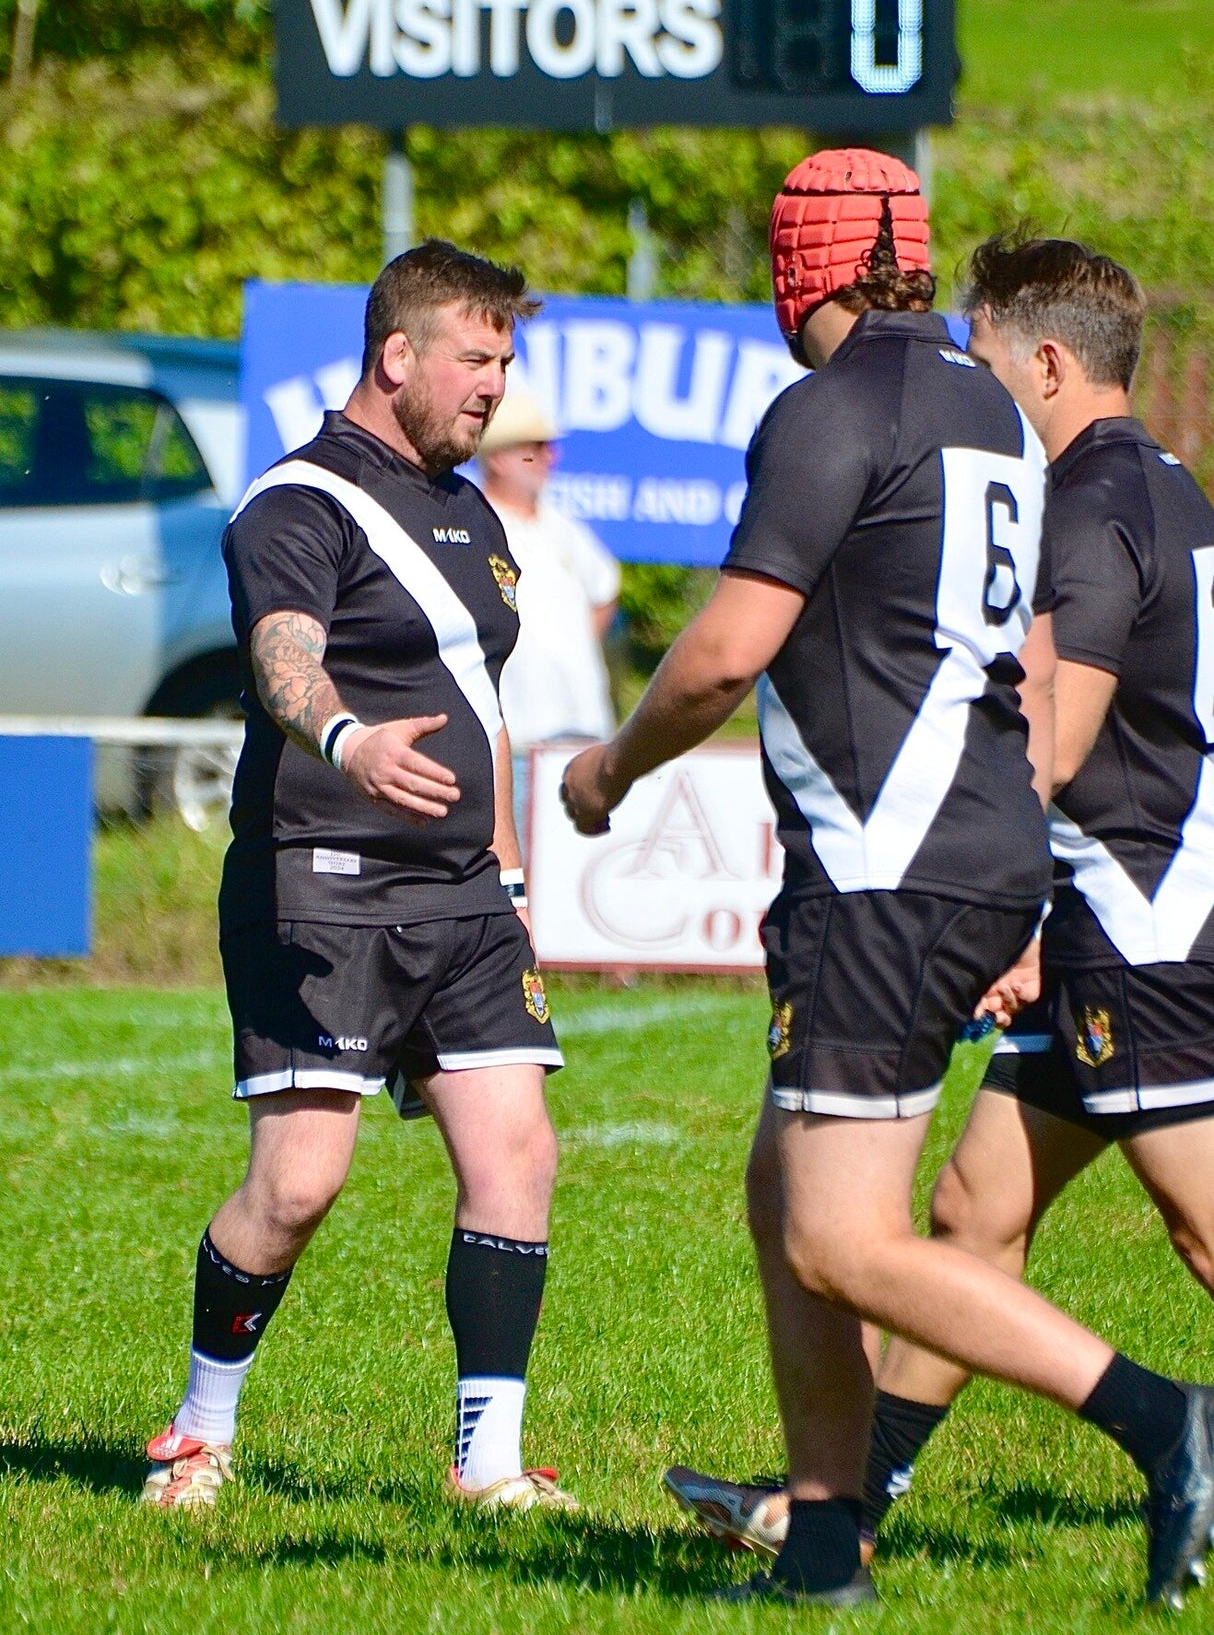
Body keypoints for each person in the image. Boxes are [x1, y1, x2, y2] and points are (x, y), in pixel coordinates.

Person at [561, 153, 1214, 1610]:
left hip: (887, 869)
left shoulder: (828, 408)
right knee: (786, 1189)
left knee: (839, 1234)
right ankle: (819, 1538)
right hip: (973, 853)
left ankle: (1160, 1418)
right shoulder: (990, 413)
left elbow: (727, 650)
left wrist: (606, 771)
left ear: (802, 273)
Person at [142, 239, 575, 1516]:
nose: (497, 385)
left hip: (460, 898)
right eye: (477, 358)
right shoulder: (296, 501)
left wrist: (501, 860)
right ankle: (197, 1431)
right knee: (296, 1186)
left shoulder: (468, 504)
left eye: (507, 360)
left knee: (518, 1153)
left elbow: (474, 700)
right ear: (398, 355)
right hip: (318, 883)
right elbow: (286, 661)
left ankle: (486, 1465)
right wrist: (345, 739)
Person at [476, 386, 619, 858]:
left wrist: (570, 651)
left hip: (584, 735)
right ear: (498, 458)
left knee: (584, 878)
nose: (549, 456)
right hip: (517, 740)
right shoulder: (476, 524)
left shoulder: (561, 525)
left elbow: (604, 590)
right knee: (518, 877)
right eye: (533, 448)